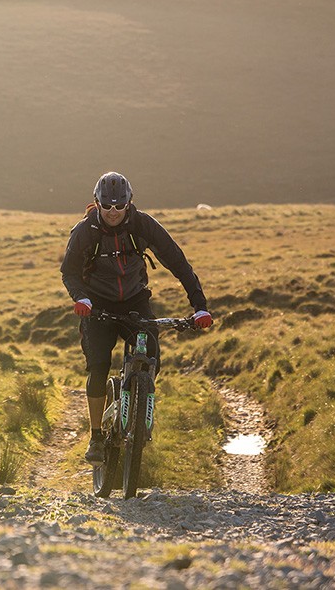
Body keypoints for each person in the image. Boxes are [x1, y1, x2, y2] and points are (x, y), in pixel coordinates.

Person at [60, 171, 214, 463]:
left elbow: (179, 263)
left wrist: (200, 307)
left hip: (135, 302)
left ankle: (138, 406)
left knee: (152, 357)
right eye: (107, 207)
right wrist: (80, 298)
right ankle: (95, 438)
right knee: (99, 366)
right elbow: (69, 271)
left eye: (120, 206)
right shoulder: (85, 231)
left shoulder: (143, 225)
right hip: (97, 306)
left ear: (129, 203)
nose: (114, 212)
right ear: (98, 204)